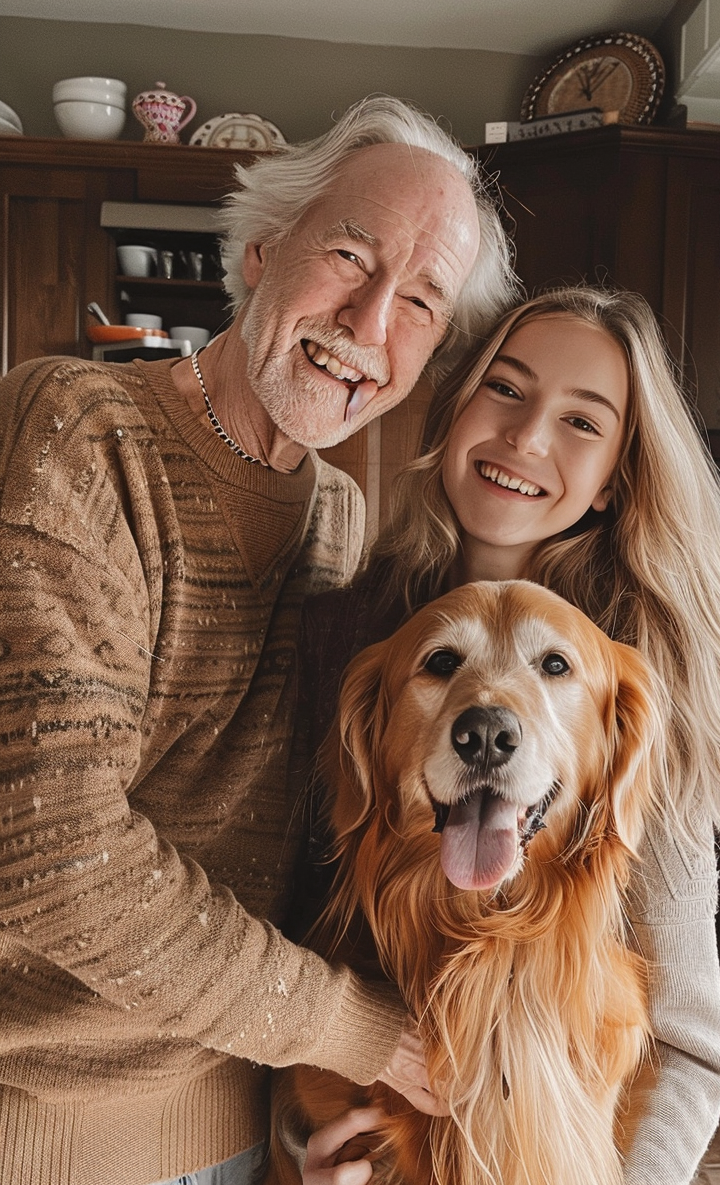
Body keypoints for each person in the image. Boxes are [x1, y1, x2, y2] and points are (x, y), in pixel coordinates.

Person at [0, 94, 520, 1185]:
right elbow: (48, 855)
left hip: (247, 1112)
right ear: (259, 248)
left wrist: (310, 1098)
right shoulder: (79, 431)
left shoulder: (337, 516)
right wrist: (366, 1037)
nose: (371, 323)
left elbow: (276, 850)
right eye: (348, 256)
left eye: (421, 302)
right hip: (53, 1134)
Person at [291, 285, 720, 1185]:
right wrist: (302, 1145)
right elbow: (285, 934)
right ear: (457, 402)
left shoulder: (632, 688)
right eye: (505, 389)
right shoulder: (347, 628)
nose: (526, 437)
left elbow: (688, 1045)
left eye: (582, 422)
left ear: (618, 473)